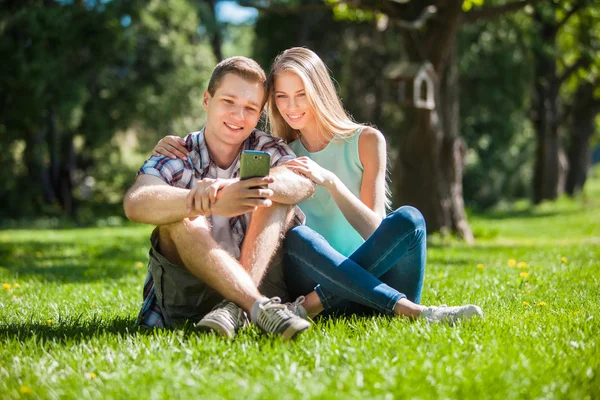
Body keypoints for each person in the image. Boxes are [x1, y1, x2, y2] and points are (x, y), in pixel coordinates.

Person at [153, 47, 483, 325]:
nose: (292, 107)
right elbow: (223, 137)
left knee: (409, 220)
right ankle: (418, 313)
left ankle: (308, 307)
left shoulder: (366, 141)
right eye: (282, 97)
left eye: (301, 95)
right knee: (297, 237)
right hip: (314, 277)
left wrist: (332, 183)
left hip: (375, 282)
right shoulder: (281, 151)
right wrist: (174, 143)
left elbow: (375, 232)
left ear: (320, 92)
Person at [124, 56, 316, 340]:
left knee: (276, 194)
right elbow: (136, 202)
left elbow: (302, 182)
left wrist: (245, 187)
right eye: (228, 101)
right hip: (190, 297)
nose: (239, 116)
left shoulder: (268, 148)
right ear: (206, 99)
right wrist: (203, 200)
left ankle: (237, 307)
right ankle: (253, 305)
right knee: (180, 216)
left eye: (250, 108)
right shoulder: (178, 152)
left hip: (266, 285)